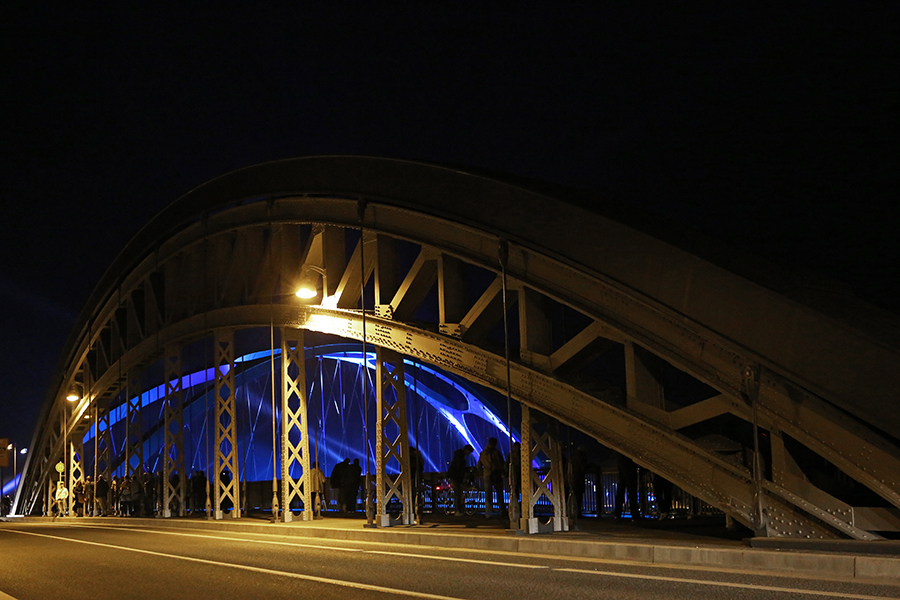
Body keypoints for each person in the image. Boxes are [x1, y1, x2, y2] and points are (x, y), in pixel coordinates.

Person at [477, 438, 505, 518]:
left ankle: (488, 513)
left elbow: (479, 465)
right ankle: (502, 511)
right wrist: (502, 472)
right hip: (496, 475)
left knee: (488, 494)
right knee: (499, 493)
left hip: (487, 475)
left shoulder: (482, 453)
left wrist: (482, 473)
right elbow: (501, 463)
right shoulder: (496, 452)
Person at [447, 444, 473, 514]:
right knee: (458, 492)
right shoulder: (460, 457)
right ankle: (457, 510)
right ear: (467, 450)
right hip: (455, 476)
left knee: (458, 492)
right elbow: (459, 467)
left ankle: (458, 509)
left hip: (454, 475)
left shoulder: (458, 455)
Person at [615, 453, 639, 520]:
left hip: (623, 470)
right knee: (632, 493)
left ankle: (617, 513)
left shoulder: (620, 457)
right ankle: (634, 514)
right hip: (629, 470)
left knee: (621, 492)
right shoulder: (628, 458)